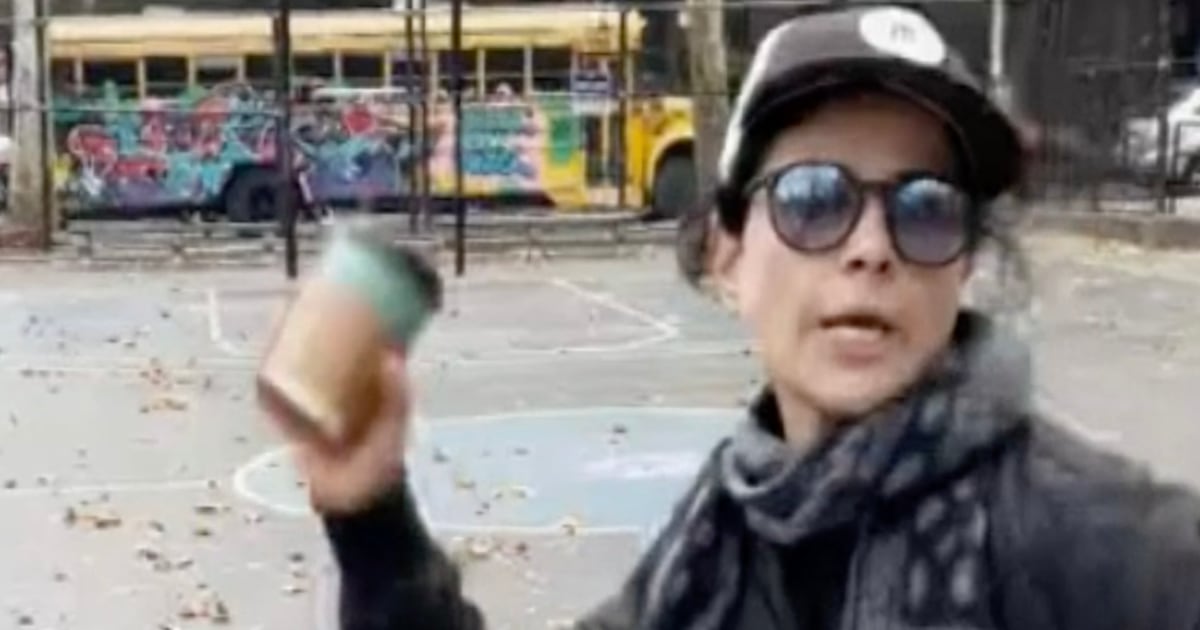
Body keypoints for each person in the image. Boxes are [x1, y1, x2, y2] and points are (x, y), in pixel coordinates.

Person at [264, 5, 1200, 630]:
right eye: (814, 199)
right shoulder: (714, 552)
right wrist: (370, 515)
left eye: (924, 208)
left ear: (963, 263)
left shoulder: (1118, 553)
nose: (871, 248)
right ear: (727, 256)